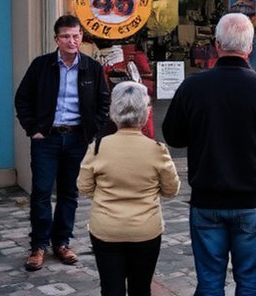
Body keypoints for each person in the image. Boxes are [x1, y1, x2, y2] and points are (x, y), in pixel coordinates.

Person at [161, 12, 256, 295]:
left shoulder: (193, 86)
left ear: (216, 45)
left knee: (210, 283)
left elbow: (173, 136)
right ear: (250, 48)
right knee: (250, 283)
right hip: (250, 199)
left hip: (207, 198)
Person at [15, 15, 111, 271]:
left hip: (78, 139)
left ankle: (62, 242)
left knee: (70, 193)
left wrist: (92, 132)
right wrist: (33, 129)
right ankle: (38, 246)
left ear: (81, 37)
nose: (71, 41)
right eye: (66, 36)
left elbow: (104, 103)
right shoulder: (41, 65)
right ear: (56, 39)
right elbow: (22, 99)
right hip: (47, 139)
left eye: (76, 35)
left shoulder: (91, 67)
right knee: (42, 193)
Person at [77, 81, 180, 296]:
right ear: (145, 114)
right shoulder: (156, 150)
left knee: (111, 288)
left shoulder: (97, 147)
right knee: (141, 288)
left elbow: (84, 187)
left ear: (114, 113)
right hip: (145, 229)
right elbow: (171, 190)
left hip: (106, 228)